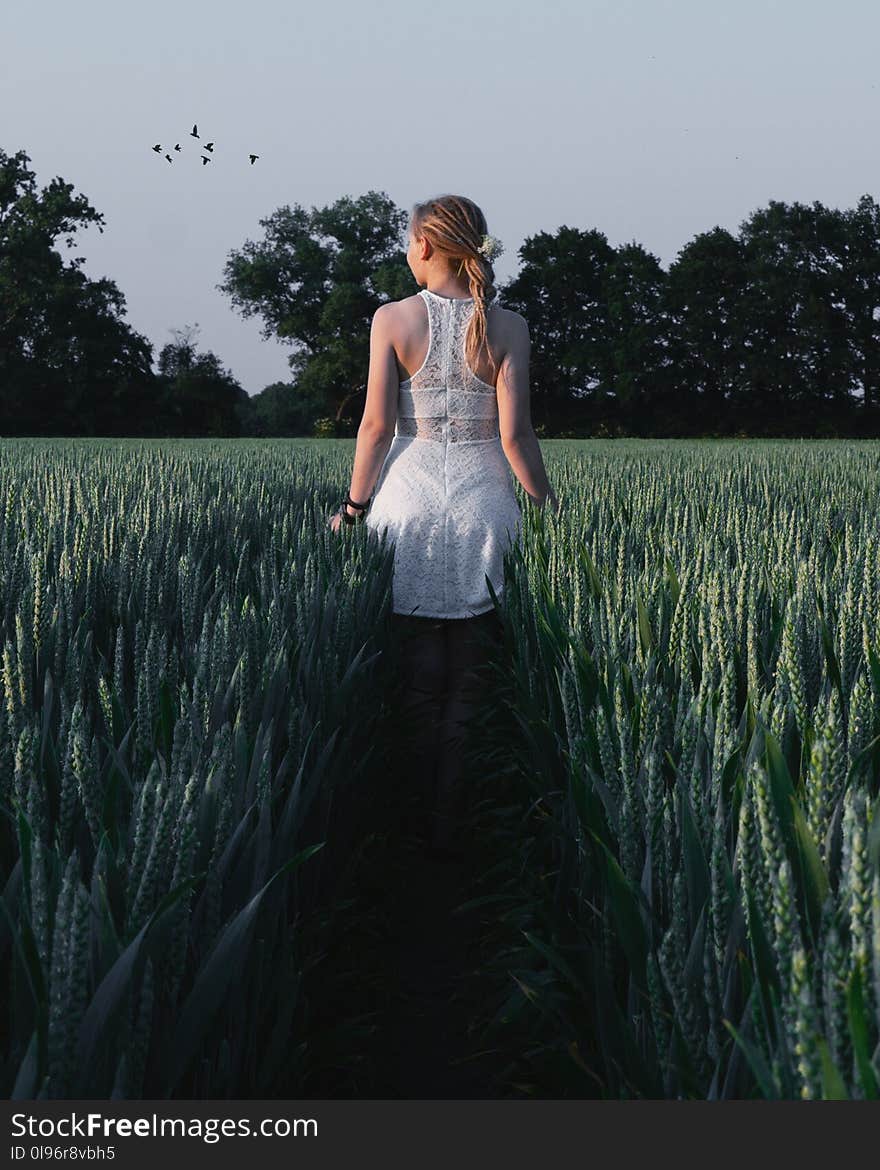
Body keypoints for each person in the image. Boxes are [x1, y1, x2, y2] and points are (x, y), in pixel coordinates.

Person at [328, 194, 559, 859]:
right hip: (487, 503)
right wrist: (547, 509)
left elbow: (376, 428)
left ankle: (407, 821)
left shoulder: (392, 319)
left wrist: (353, 508)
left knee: (420, 673)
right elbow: (515, 437)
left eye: (408, 241)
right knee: (472, 677)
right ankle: (457, 823)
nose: (406, 252)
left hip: (410, 504)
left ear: (427, 245)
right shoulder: (508, 326)